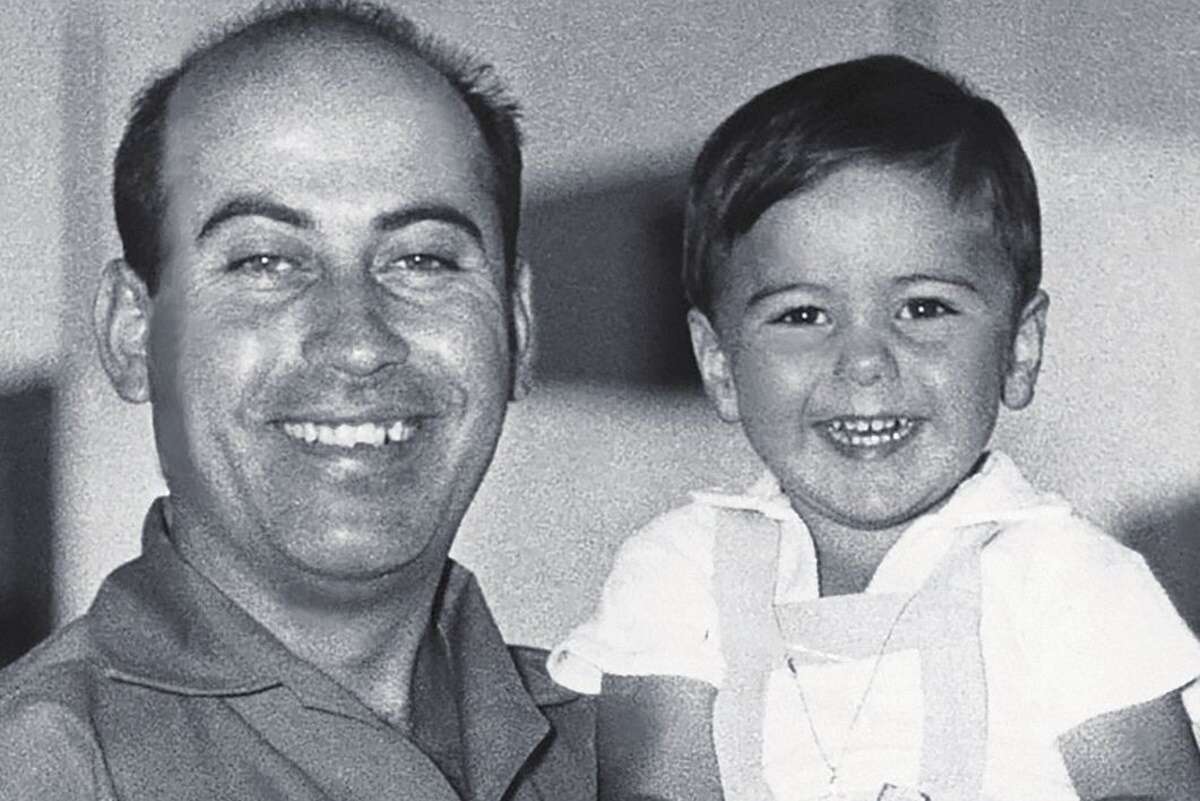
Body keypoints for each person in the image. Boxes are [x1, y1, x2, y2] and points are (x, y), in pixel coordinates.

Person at [549, 55, 1200, 801]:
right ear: (721, 363)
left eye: (923, 308)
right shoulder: (679, 572)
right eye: (802, 314)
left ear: (1020, 349)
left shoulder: (1074, 579)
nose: (863, 361)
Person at [0, 2, 596, 799]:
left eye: (422, 258)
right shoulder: (45, 766)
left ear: (517, 326)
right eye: (264, 261)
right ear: (132, 332)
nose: (357, 341)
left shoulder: (653, 753)